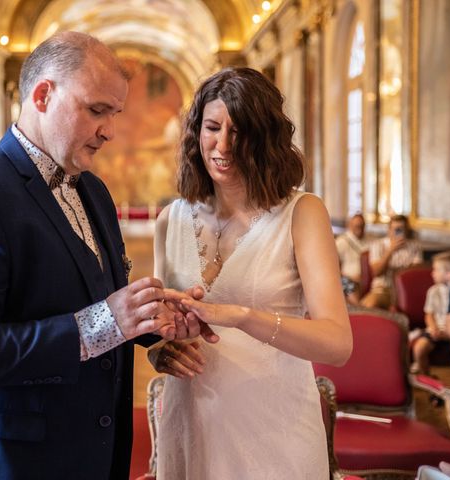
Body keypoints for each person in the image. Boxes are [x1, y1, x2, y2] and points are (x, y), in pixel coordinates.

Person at [0, 31, 209, 480]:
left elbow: (92, 301)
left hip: (87, 453)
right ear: (43, 94)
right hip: (2, 461)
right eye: (96, 110)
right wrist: (104, 323)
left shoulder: (93, 190)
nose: (109, 130)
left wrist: (148, 323)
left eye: (115, 113)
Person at [148, 67, 352, 479]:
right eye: (212, 127)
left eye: (238, 132)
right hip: (192, 424)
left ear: (265, 137)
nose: (222, 145)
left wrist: (241, 316)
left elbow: (338, 344)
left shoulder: (302, 213)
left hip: (275, 429)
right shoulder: (170, 219)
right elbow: (158, 329)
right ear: (196, 132)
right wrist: (160, 351)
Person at [411, 252, 450, 374]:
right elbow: (429, 314)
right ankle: (428, 380)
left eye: (436, 270)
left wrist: (449, 333)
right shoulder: (433, 291)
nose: (432, 273)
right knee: (419, 348)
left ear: (449, 274)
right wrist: (433, 328)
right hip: (436, 329)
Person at [360, 214, 423, 309]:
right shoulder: (378, 245)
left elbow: (416, 273)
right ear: (389, 230)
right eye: (395, 229)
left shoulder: (414, 246)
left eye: (401, 229)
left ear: (406, 230)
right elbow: (376, 272)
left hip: (406, 291)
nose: (397, 232)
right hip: (383, 289)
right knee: (368, 306)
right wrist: (390, 250)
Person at [335, 213, 369, 303]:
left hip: (364, 280)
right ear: (350, 226)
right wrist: (351, 277)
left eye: (362, 226)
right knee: (346, 283)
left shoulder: (368, 241)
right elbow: (334, 267)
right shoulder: (341, 242)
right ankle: (358, 308)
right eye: (357, 226)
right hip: (346, 279)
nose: (360, 229)